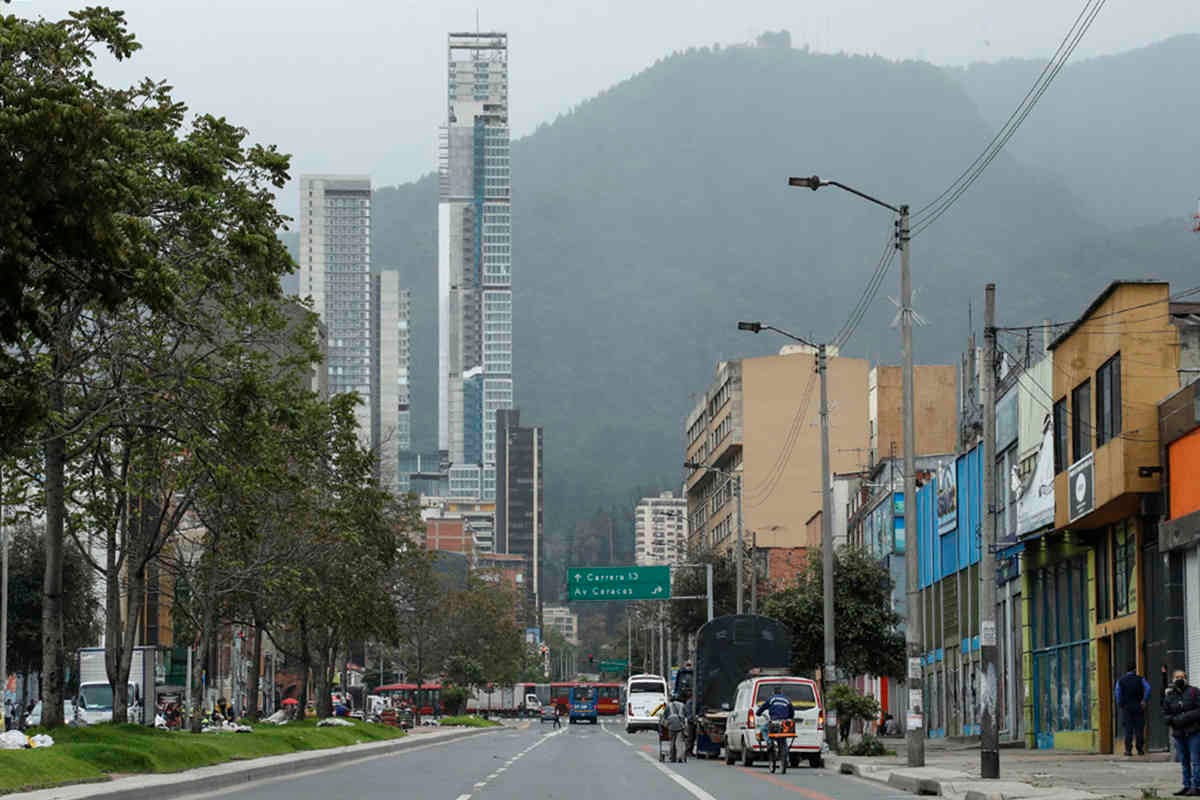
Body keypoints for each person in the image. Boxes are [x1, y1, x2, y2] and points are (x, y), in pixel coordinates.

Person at [1162, 667, 1200, 796]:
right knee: (1184, 761)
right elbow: (1165, 714)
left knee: (1195, 760)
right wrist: (1172, 720)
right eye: (1177, 677)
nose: (1179, 679)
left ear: (1186, 679)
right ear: (1173, 679)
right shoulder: (1169, 695)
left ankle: (1197, 786)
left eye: (1182, 677)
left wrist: (1184, 717)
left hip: (1193, 732)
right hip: (1178, 733)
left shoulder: (1194, 692)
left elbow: (1198, 710)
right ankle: (1186, 785)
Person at [1116, 662, 1151, 756]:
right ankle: (1140, 749)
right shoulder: (1140, 679)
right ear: (1135, 669)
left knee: (1128, 729)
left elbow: (1118, 693)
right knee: (1139, 728)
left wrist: (1120, 703)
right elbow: (1148, 688)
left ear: (1126, 670)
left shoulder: (1121, 680)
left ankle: (1128, 750)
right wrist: (1144, 700)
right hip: (1138, 706)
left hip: (1127, 707)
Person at [757, 686, 796, 752]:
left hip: (774, 722)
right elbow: (792, 711)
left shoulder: (771, 699)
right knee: (784, 737)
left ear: (774, 692)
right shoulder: (787, 699)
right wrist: (789, 717)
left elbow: (762, 707)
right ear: (781, 692)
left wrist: (758, 713)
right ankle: (786, 759)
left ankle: (769, 742)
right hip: (784, 723)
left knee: (763, 729)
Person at [660, 694, 689, 763]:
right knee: (679, 742)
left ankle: (672, 757)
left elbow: (664, 717)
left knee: (672, 742)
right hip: (680, 724)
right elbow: (686, 715)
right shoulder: (682, 705)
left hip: (671, 725)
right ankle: (680, 757)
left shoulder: (668, 706)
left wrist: (664, 725)